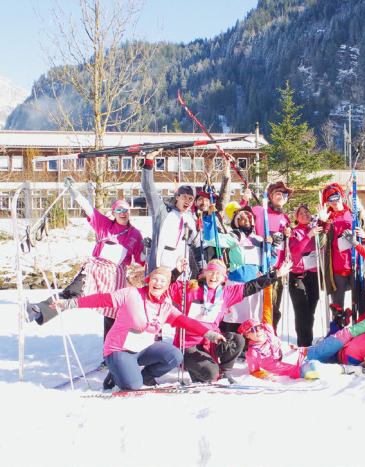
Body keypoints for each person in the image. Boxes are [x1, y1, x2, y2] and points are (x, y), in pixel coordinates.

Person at [51, 268, 226, 391]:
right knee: (132, 385)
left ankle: (146, 375)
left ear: (167, 287)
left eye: (163, 281)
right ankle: (116, 372)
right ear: (149, 281)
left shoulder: (165, 305)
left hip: (144, 349)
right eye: (155, 279)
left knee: (174, 355)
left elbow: (185, 321)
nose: (158, 283)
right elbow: (101, 300)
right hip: (119, 349)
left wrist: (210, 334)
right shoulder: (131, 294)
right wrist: (69, 303)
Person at [26, 178, 144, 346]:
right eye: (119, 209)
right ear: (114, 212)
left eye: (126, 209)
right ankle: (39, 311)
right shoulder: (104, 225)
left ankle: (111, 352)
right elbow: (88, 209)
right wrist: (74, 192)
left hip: (115, 276)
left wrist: (147, 249)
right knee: (73, 292)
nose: (123, 212)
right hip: (95, 269)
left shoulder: (134, 234)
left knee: (113, 311)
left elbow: (142, 259)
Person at [168, 259, 291, 383]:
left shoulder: (226, 293)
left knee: (238, 339)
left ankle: (224, 372)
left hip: (211, 341)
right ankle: (198, 370)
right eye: (211, 272)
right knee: (210, 374)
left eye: (218, 274)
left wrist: (276, 275)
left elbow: (252, 286)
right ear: (205, 273)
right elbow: (165, 286)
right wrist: (177, 271)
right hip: (189, 344)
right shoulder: (189, 287)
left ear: (223, 278)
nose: (214, 276)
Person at [241, 316, 365, 380]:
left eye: (259, 327)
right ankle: (349, 369)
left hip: (308, 352)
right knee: (314, 370)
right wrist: (264, 375)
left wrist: (268, 283)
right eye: (253, 330)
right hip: (298, 369)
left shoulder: (268, 330)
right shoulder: (252, 354)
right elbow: (254, 371)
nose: (258, 331)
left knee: (338, 338)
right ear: (247, 335)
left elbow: (267, 309)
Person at [203, 204, 270, 333]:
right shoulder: (234, 237)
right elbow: (212, 240)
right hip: (237, 284)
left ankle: (249, 347)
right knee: (235, 318)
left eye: (249, 216)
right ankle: (232, 346)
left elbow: (271, 260)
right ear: (236, 222)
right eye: (241, 217)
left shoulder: (259, 239)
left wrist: (271, 245)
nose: (246, 219)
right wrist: (209, 218)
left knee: (253, 318)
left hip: (255, 284)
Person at [141, 149, 202, 279]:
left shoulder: (190, 219)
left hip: (180, 272)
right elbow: (149, 189)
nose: (187, 201)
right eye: (184, 197)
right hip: (159, 269)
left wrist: (202, 269)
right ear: (177, 197)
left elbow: (197, 247)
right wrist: (149, 161)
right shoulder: (162, 211)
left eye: (191, 199)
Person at [251, 180, 293, 328]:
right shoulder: (258, 211)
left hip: (278, 269)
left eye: (285, 194)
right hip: (259, 267)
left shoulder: (285, 219)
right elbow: (239, 218)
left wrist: (288, 235)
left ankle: (271, 337)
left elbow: (286, 244)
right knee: (258, 307)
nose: (282, 196)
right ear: (270, 196)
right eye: (278, 193)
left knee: (274, 307)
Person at [288, 205, 325, 347]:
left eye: (306, 212)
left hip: (314, 275)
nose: (304, 215)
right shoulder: (294, 232)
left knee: (311, 312)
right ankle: (303, 343)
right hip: (298, 276)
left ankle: (308, 343)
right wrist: (308, 235)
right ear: (296, 217)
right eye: (300, 213)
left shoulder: (315, 228)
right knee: (302, 312)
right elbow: (295, 250)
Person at [318, 183, 354, 310]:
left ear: (341, 196)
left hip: (355, 263)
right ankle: (338, 328)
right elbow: (320, 242)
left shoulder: (352, 211)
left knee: (360, 304)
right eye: (330, 199)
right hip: (337, 267)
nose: (334, 201)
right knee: (338, 306)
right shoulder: (326, 216)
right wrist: (323, 222)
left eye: (336, 196)